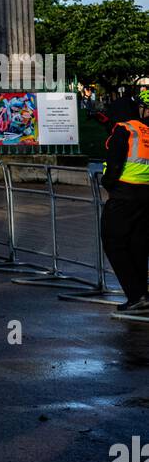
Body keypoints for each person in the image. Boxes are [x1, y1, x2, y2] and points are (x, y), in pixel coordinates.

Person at [101, 90, 149, 314]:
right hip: (145, 196)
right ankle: (142, 296)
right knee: (138, 245)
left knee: (114, 242)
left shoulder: (123, 130)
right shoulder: (145, 130)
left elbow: (115, 165)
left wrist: (108, 182)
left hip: (124, 195)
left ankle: (136, 295)